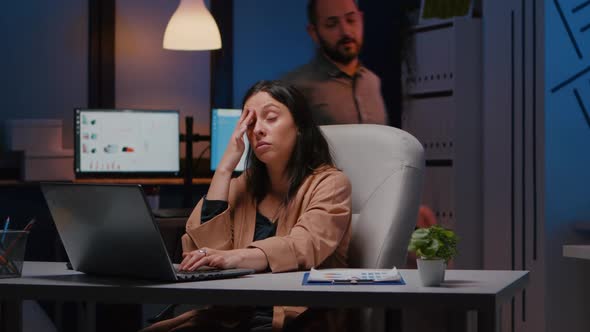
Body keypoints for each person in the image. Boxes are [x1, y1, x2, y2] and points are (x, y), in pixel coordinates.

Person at [141, 80, 352, 332]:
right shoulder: (244, 185)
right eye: (250, 123)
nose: (258, 130)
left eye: (271, 118)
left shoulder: (331, 183)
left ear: (299, 127)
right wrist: (224, 168)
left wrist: (237, 257)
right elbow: (204, 250)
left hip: (295, 319)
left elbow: (304, 244)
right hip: (231, 316)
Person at [282, 0, 388, 126]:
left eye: (351, 20)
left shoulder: (372, 81)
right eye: (331, 24)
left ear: (361, 19)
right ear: (314, 32)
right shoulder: (294, 87)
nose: (346, 32)